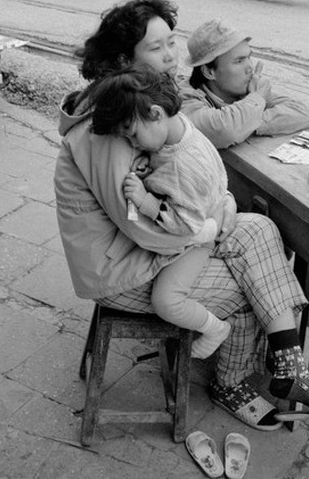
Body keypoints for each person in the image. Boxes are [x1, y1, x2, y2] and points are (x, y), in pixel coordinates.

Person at [55, 0, 309, 431]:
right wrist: (215, 224)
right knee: (249, 283)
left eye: (171, 43)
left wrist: (221, 212)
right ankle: (232, 382)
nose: (172, 58)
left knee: (259, 230)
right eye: (156, 49)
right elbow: (146, 228)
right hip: (122, 271)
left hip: (144, 248)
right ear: (125, 59)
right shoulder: (108, 124)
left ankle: (289, 368)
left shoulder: (134, 103)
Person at [89, 66, 232, 359]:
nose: (131, 143)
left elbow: (186, 225)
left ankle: (215, 328)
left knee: (166, 300)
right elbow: (165, 163)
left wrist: (145, 201)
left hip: (198, 234)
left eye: (132, 135)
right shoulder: (177, 130)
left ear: (155, 114)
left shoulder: (184, 166)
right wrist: (148, 162)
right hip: (206, 208)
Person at [178, 19, 309, 150]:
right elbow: (224, 131)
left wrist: (247, 121)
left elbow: (302, 112)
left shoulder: (244, 91)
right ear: (209, 72)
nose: (250, 67)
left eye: (249, 57)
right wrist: (252, 108)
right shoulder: (185, 99)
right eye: (239, 61)